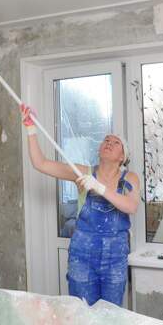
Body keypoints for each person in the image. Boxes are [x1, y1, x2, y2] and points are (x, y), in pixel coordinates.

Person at [20, 104, 140, 306]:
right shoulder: (83, 173)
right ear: (99, 149)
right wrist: (31, 129)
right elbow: (41, 164)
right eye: (106, 140)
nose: (109, 143)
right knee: (82, 313)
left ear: (122, 157)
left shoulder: (130, 178)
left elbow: (131, 206)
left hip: (115, 258)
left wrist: (99, 188)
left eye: (116, 142)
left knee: (110, 315)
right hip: (82, 255)